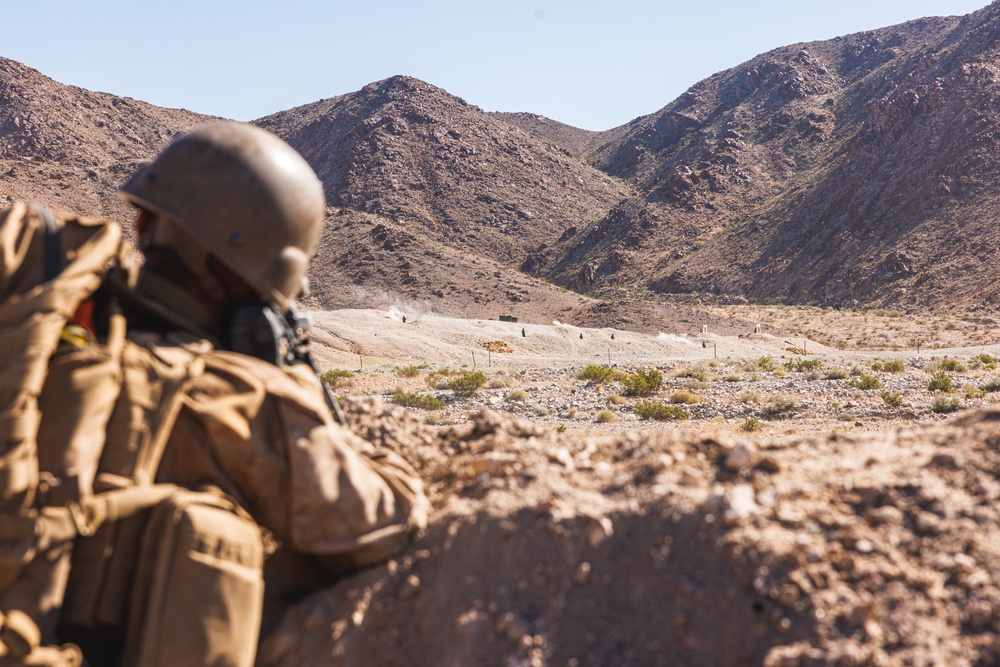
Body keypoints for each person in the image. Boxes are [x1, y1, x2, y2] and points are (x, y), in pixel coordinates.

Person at [0, 122, 428, 666]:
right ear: (261, 281)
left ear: (143, 222)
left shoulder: (37, 341)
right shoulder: (234, 395)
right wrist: (295, 387)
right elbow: (386, 517)